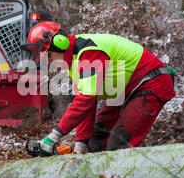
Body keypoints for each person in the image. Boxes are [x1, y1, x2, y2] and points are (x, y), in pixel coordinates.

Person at [25, 21, 176, 155]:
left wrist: (53, 137)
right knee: (97, 138)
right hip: (122, 91)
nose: (49, 62)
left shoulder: (88, 51)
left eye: (49, 56)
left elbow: (86, 101)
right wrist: (80, 146)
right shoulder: (72, 63)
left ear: (60, 43)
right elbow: (87, 105)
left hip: (150, 82)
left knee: (118, 146)